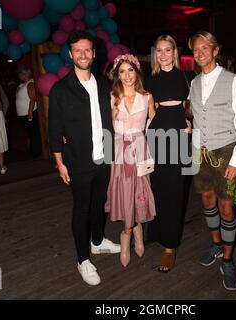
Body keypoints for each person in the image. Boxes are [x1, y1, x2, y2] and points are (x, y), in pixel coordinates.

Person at [48, 30, 120, 286]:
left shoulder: (102, 83)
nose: (82, 54)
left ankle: (98, 241)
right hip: (77, 160)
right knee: (82, 208)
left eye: (87, 50)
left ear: (94, 53)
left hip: (104, 157)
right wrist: (59, 162)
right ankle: (83, 259)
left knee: (99, 203)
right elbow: (54, 129)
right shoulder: (61, 89)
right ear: (70, 54)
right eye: (77, 50)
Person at [188, 31, 236, 290]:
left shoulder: (233, 81)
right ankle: (215, 245)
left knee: (227, 208)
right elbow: (194, 115)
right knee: (207, 201)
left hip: (226, 152)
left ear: (215, 51)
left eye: (206, 47)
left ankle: (227, 259)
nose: (200, 52)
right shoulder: (193, 83)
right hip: (199, 153)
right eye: (196, 49)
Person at [144, 35, 192, 273]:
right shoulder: (150, 79)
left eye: (167, 50)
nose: (163, 54)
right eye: (159, 50)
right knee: (158, 185)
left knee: (175, 189)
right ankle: (156, 230)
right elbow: (149, 111)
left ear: (175, 52)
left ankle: (170, 246)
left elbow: (194, 105)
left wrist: (190, 120)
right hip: (157, 132)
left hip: (180, 135)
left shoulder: (187, 76)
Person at [105, 54, 156, 267]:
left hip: (139, 151)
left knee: (139, 192)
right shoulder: (111, 97)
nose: (127, 76)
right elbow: (105, 126)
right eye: (122, 71)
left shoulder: (147, 97)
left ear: (137, 72)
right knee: (124, 191)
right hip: (118, 153)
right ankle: (126, 236)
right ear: (117, 74)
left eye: (130, 70)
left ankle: (138, 233)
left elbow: (154, 122)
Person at [15, 67, 41, 157]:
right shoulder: (21, 85)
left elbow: (33, 99)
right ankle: (33, 151)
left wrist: (30, 113)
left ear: (25, 74)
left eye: (20, 74)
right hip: (22, 114)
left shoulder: (30, 83)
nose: (19, 76)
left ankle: (36, 153)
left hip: (29, 113)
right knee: (29, 133)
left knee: (33, 133)